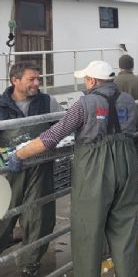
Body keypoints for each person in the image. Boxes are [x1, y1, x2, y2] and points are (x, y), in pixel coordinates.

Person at [5, 61, 138, 277]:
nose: (85, 83)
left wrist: (20, 154)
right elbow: (134, 128)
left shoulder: (85, 103)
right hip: (127, 163)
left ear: (92, 80)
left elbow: (51, 137)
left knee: (88, 229)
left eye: (86, 79)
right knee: (125, 228)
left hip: (95, 169)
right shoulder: (128, 100)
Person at [0, 62, 63, 277]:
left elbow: (62, 127)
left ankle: (30, 264)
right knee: (2, 217)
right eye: (31, 79)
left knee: (39, 218)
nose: (37, 83)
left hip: (40, 168)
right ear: (15, 80)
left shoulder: (48, 102)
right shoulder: (1, 105)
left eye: (39, 79)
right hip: (8, 172)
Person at [114, 54, 138, 182]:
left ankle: (120, 176)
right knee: (136, 150)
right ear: (132, 66)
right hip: (136, 123)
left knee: (118, 150)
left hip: (117, 124)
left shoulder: (113, 82)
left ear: (119, 66)